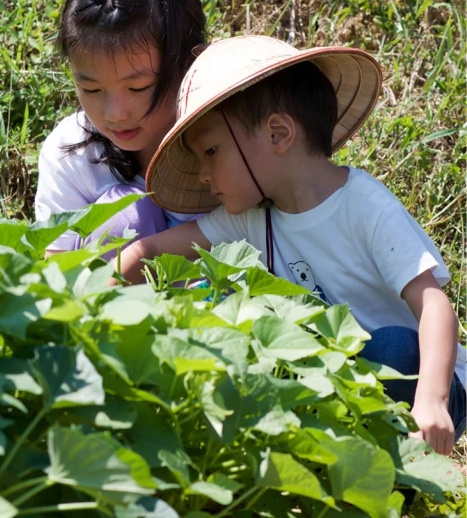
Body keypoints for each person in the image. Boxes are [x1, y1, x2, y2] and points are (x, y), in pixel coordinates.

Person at [118, 34, 466, 455]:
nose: (204, 175)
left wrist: (432, 400)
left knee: (392, 346)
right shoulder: (248, 219)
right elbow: (150, 253)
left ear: (278, 134)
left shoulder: (363, 204)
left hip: (423, 381)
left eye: (211, 151)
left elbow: (433, 305)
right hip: (338, 388)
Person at [34, 0, 206, 255]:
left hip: (226, 298)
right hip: (107, 298)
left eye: (138, 87)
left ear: (191, 60)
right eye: (91, 89)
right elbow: (55, 270)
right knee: (122, 215)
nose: (115, 114)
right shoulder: (72, 154)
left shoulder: (233, 139)